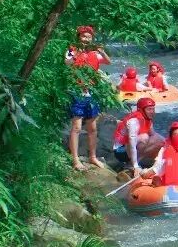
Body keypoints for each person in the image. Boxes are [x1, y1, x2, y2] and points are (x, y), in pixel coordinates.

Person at [64, 25, 111, 171]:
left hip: (91, 92)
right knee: (77, 127)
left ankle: (92, 157)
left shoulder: (94, 53)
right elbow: (67, 63)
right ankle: (76, 159)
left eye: (88, 37)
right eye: (83, 36)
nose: (86, 39)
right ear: (78, 37)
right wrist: (75, 52)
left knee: (93, 128)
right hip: (77, 91)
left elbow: (108, 62)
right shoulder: (72, 51)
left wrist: (102, 52)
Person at [112, 96, 163, 176]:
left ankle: (152, 163)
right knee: (144, 137)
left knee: (160, 141)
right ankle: (132, 165)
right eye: (149, 109)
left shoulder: (147, 119)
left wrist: (169, 144)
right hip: (120, 151)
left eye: (153, 109)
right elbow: (131, 144)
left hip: (130, 146)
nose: (152, 112)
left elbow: (155, 135)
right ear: (141, 110)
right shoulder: (133, 122)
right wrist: (135, 166)